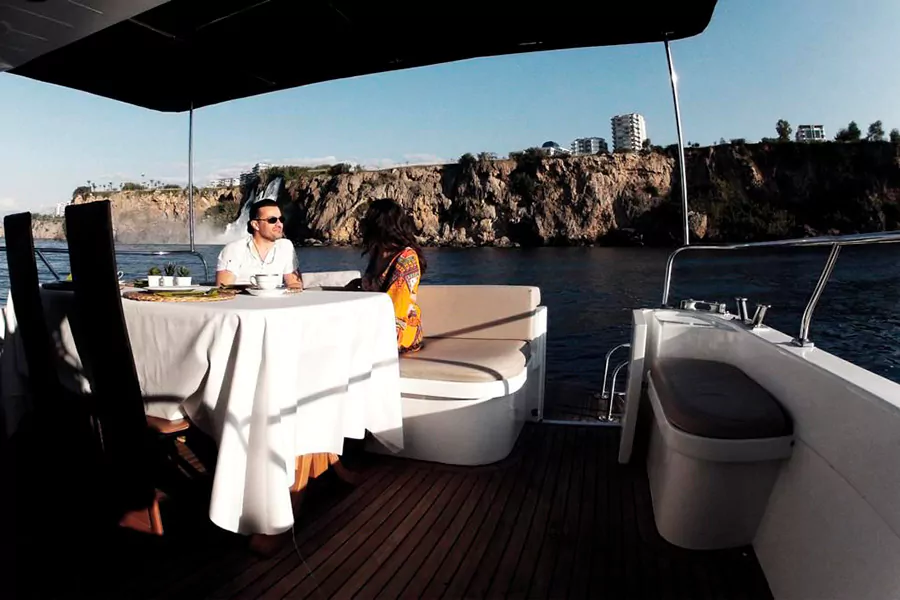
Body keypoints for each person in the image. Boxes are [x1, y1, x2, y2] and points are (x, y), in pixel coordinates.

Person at [347, 198, 425, 353]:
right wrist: (358, 284)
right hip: (374, 324)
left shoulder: (406, 258)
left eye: (368, 219)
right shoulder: (377, 252)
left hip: (398, 334)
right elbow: (376, 287)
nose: (363, 223)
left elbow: (397, 311)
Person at [216, 199, 302, 288]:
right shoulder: (234, 249)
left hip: (275, 297)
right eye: (272, 220)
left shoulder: (286, 246)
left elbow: (294, 284)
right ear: (255, 225)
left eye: (281, 219)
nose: (279, 224)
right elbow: (224, 288)